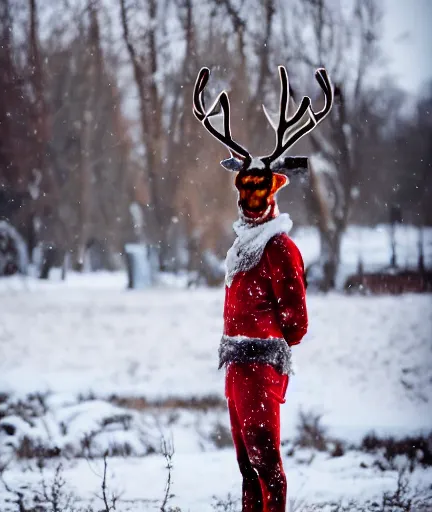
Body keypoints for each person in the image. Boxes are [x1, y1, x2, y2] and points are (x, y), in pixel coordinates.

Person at [192, 65, 333, 511]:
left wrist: (266, 343)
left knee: (266, 465)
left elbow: (297, 322)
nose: (250, 200)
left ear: (273, 192)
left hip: (259, 367)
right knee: (247, 469)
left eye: (259, 191)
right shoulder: (242, 248)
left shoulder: (278, 248)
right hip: (235, 367)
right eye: (244, 190)